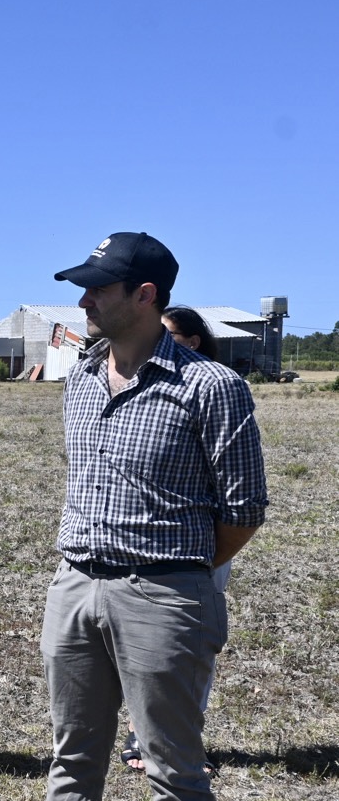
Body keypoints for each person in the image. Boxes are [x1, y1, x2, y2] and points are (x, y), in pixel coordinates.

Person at [0, 233, 266, 801]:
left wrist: (173, 578)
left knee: (173, 767)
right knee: (73, 753)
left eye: (98, 288)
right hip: (75, 586)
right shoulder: (79, 377)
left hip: (165, 593)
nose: (83, 300)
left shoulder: (210, 389)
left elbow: (241, 512)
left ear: (146, 296)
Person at [121, 305, 225, 775]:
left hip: (197, 542)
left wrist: (204, 557)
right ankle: (141, 732)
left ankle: (182, 738)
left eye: (167, 335)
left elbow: (238, 492)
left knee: (188, 649)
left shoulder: (214, 387)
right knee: (139, 649)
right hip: (144, 548)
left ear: (193, 342)